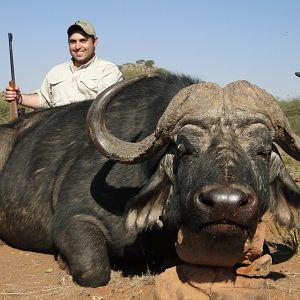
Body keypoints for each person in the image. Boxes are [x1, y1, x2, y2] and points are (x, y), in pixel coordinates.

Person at [4, 20, 123, 108]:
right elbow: (43, 100)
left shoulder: (108, 71)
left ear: (95, 42)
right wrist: (18, 97)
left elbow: (104, 108)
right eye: (73, 42)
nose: (77, 47)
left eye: (83, 40)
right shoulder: (56, 71)